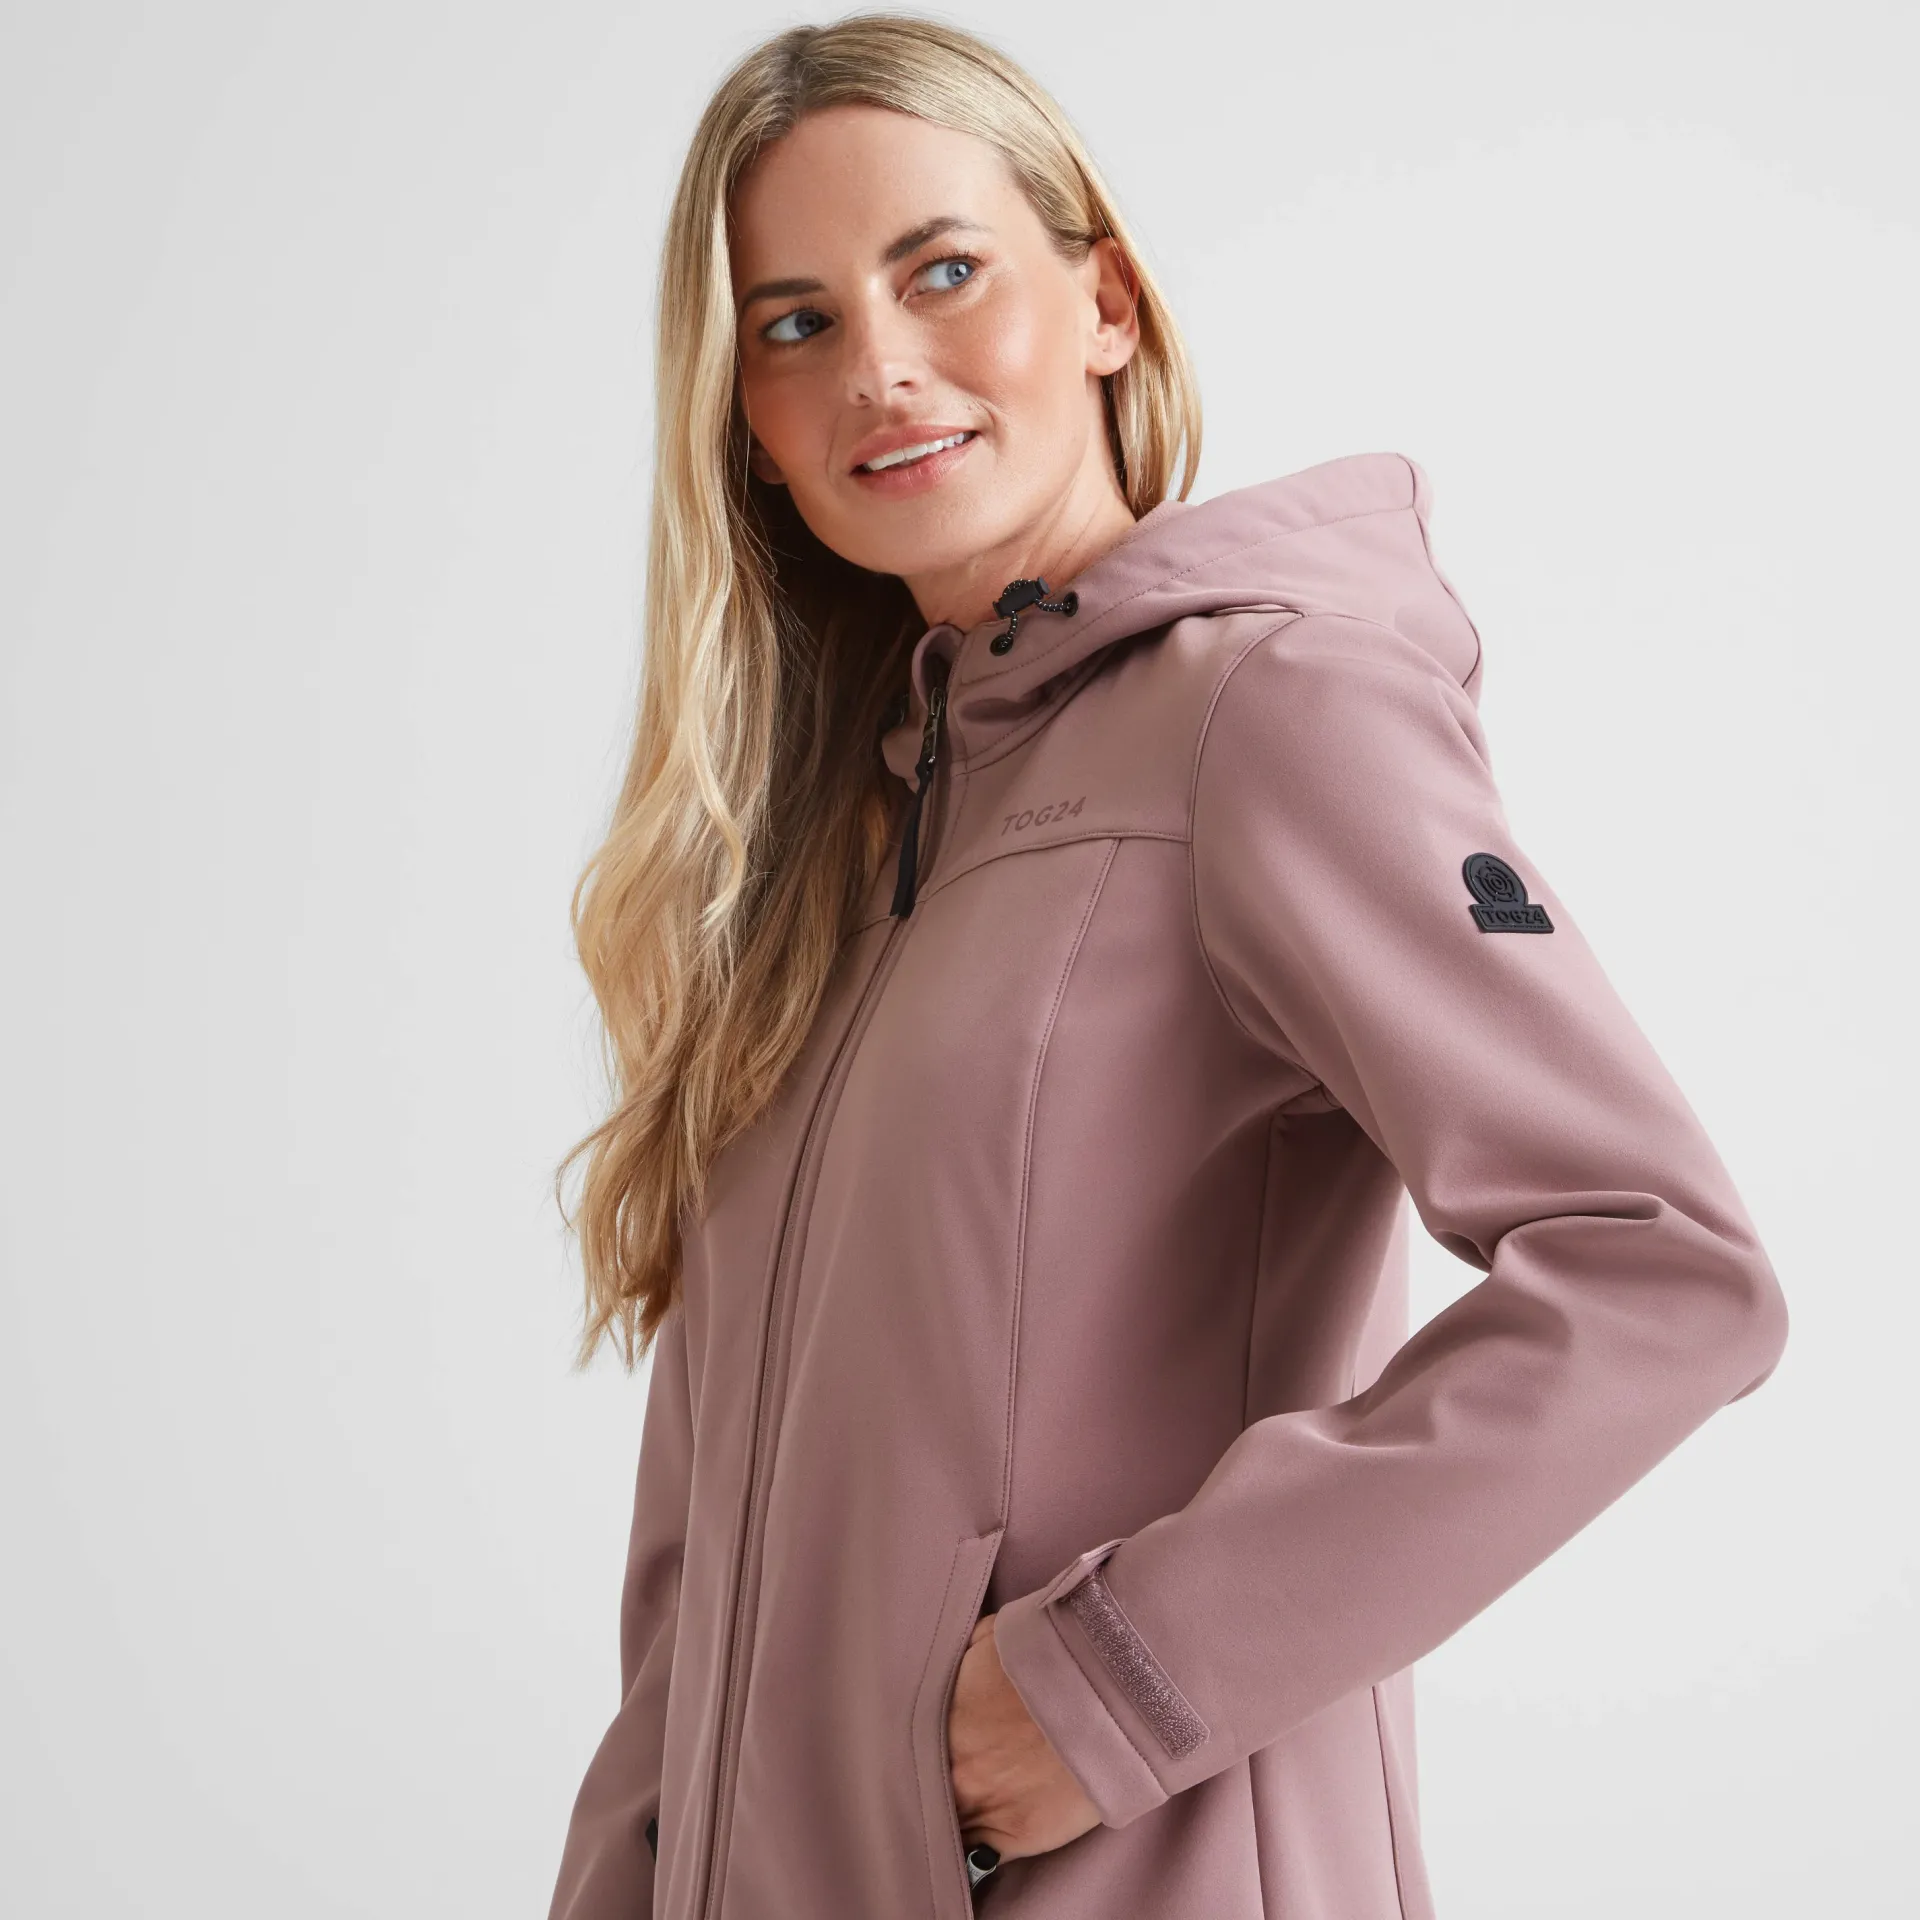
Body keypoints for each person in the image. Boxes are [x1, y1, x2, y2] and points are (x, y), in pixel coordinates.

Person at [544, 14, 1789, 1919]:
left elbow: (1661, 1271)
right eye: (794, 324)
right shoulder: (816, 859)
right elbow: (697, 1586)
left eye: (941, 271)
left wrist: (1122, 1682)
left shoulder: (1267, 715)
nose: (878, 366)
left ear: (1105, 303)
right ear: (751, 428)